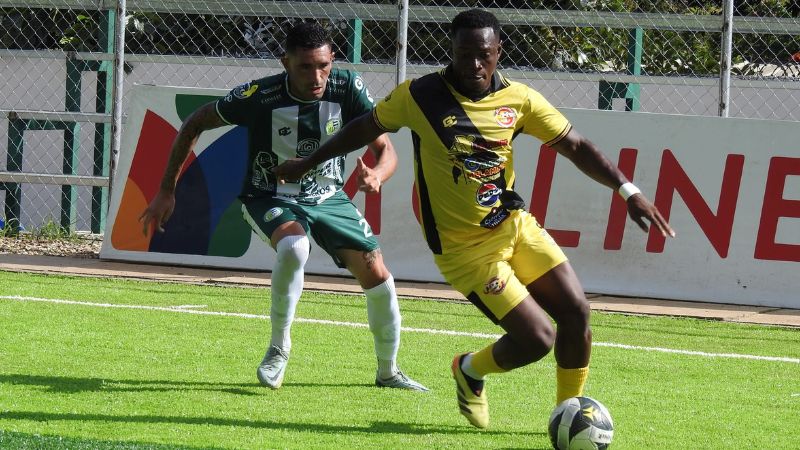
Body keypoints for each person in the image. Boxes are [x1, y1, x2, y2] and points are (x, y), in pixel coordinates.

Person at [274, 9, 674, 428]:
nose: (474, 65)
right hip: (465, 252)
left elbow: (575, 146)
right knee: (538, 339)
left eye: (483, 54)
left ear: (499, 51)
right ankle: (470, 369)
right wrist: (308, 163)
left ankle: (568, 415)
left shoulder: (520, 100)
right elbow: (362, 127)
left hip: (515, 226)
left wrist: (628, 191)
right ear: (451, 51)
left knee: (577, 314)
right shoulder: (420, 96)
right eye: (464, 54)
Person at [139, 22, 428, 392]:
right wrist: (166, 190)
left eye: (323, 65)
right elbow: (195, 122)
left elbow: (385, 150)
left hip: (328, 198)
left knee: (378, 274)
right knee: (295, 247)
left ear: (333, 60)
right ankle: (278, 349)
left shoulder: (347, 88)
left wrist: (377, 176)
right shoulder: (259, 96)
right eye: (305, 66)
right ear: (285, 63)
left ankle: (388, 372)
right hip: (268, 196)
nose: (316, 76)